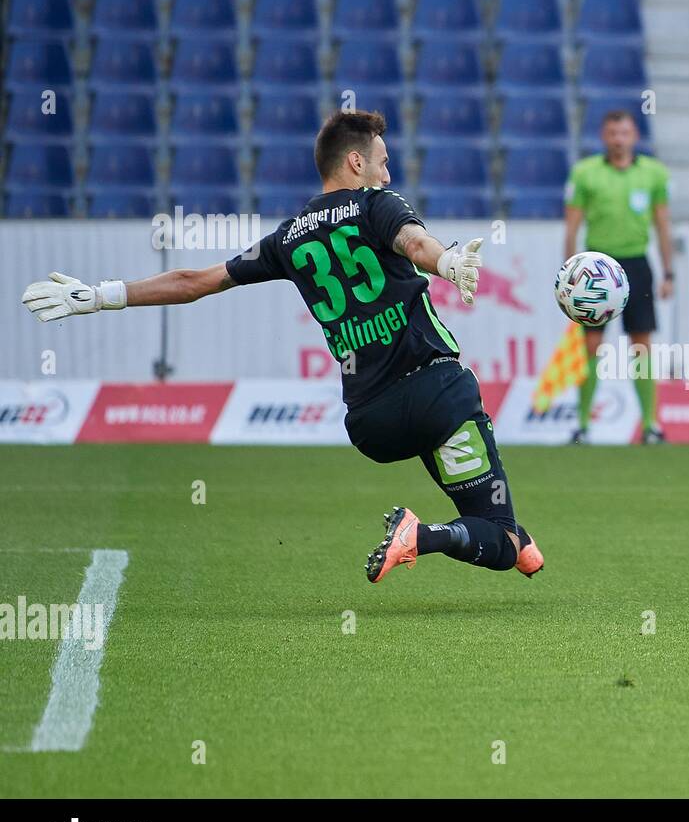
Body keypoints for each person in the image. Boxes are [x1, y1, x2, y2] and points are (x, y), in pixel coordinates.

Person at [21, 110, 543, 583]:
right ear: (356, 162)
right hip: (436, 394)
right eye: (383, 163)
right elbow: (414, 242)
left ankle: (520, 547)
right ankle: (428, 536)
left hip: (371, 423)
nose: (388, 175)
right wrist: (447, 261)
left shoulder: (288, 238)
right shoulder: (375, 204)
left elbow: (193, 282)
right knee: (497, 536)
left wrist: (99, 296)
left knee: (502, 534)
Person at [563, 109, 674, 444]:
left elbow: (663, 225)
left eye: (624, 133)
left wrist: (668, 272)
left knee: (641, 344)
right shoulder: (585, 173)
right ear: (604, 136)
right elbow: (572, 227)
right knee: (591, 345)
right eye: (612, 133)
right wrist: (570, 273)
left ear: (634, 136)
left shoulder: (653, 173)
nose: (618, 139)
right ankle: (583, 424)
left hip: (637, 264)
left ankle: (650, 425)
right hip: (595, 268)